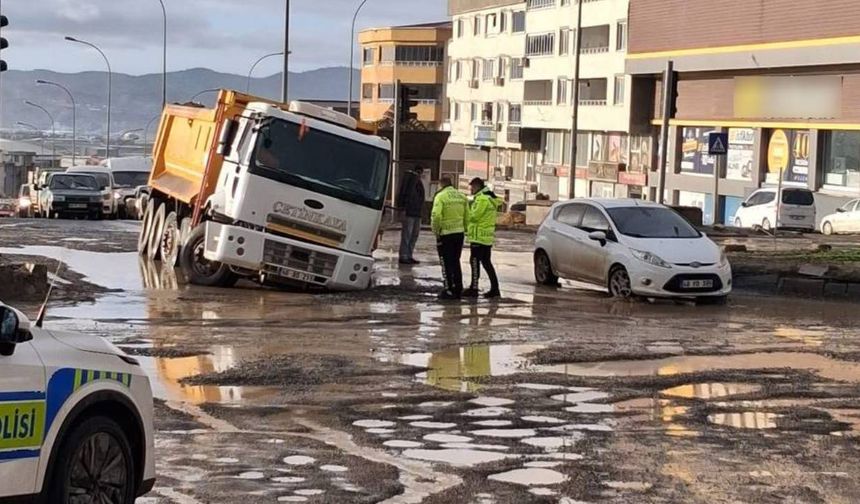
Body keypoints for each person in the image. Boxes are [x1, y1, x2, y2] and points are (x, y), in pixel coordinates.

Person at [463, 178, 503, 299]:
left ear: (477, 186)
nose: (471, 190)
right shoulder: (490, 198)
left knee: (474, 262)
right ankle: (494, 288)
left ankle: (474, 288)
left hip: (478, 237)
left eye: (472, 188)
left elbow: (474, 216)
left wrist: (467, 209)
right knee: (486, 263)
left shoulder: (482, 199)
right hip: (486, 237)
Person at [431, 176, 468, 300]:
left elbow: (436, 216)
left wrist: (436, 231)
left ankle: (448, 289)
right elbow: (467, 216)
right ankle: (458, 288)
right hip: (459, 233)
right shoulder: (462, 196)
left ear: (441, 185)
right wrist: (464, 229)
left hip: (445, 234)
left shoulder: (440, 196)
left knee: (445, 262)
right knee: (456, 261)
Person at [397, 165, 426, 265]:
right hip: (411, 211)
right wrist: (404, 208)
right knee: (409, 234)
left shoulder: (413, 180)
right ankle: (405, 255)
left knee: (411, 234)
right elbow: (407, 195)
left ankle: (407, 255)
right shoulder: (412, 179)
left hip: (414, 212)